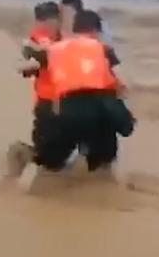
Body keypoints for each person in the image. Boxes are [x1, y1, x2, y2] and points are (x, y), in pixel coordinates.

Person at [17, 10, 134, 178]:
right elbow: (124, 82)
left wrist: (35, 53)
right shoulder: (102, 49)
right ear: (96, 31)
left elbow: (26, 66)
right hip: (98, 114)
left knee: (51, 162)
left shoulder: (55, 49)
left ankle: (31, 165)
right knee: (104, 155)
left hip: (65, 112)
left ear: (75, 28)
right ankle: (106, 179)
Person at [6, 2, 63, 178]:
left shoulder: (66, 36)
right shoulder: (36, 39)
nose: (46, 25)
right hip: (47, 101)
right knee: (46, 152)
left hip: (67, 101)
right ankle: (19, 156)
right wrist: (34, 62)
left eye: (50, 21)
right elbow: (27, 62)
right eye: (43, 22)